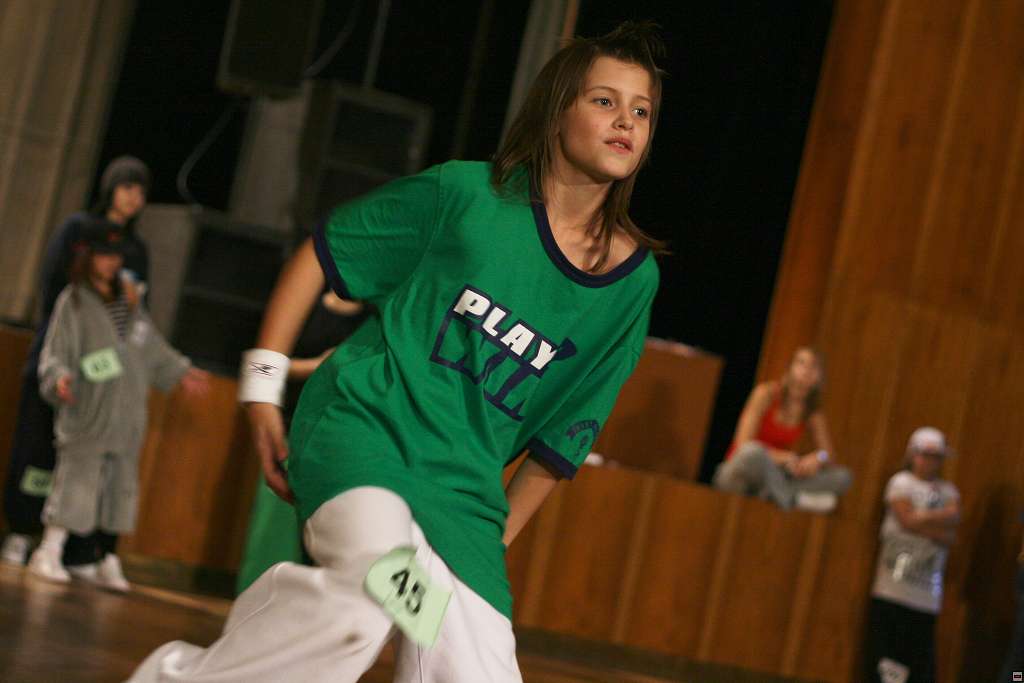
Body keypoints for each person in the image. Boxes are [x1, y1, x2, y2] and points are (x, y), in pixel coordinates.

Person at [129, 21, 664, 682]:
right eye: (605, 101)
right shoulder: (464, 195)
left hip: (463, 501)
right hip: (365, 433)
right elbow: (324, 253)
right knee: (373, 586)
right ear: (557, 113)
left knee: (462, 662)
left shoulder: (633, 285)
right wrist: (262, 386)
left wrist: (481, 553)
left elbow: (559, 448)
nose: (626, 121)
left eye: (642, 110)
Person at [25, 219, 209, 589]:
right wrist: (59, 378)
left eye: (116, 256)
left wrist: (180, 370)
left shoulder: (129, 303)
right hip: (89, 409)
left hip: (126, 413)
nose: (111, 263)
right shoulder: (74, 301)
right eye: (104, 255)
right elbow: (56, 351)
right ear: (88, 256)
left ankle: (99, 557)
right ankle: (49, 549)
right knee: (76, 481)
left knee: (119, 486)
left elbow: (150, 346)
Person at [1, 156, 152, 568]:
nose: (134, 198)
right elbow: (53, 288)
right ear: (111, 187)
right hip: (60, 357)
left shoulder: (137, 250)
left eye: (141, 191)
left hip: (103, 376)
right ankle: (21, 530)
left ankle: (71, 547)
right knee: (37, 448)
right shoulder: (77, 229)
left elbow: (138, 314)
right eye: (128, 187)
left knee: (86, 464)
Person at [235, 290, 370, 593]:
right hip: (287, 432)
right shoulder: (304, 302)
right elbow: (257, 364)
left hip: (338, 439)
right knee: (271, 532)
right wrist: (315, 366)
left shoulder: (375, 314)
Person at [864, 426, 960, 683]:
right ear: (913, 455)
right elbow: (905, 519)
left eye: (937, 457)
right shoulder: (901, 483)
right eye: (926, 455)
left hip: (926, 594)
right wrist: (931, 523)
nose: (931, 462)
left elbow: (951, 529)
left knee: (918, 665)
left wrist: (919, 518)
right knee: (886, 663)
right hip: (892, 587)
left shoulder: (948, 491)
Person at [713, 346, 853, 512]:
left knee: (843, 477)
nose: (807, 370)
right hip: (743, 471)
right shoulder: (766, 393)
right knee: (753, 451)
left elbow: (828, 455)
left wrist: (818, 458)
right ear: (790, 367)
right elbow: (742, 444)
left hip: (776, 477)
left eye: (813, 366)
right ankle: (790, 499)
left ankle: (776, 494)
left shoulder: (812, 412)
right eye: (801, 363)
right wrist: (784, 458)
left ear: (820, 376)